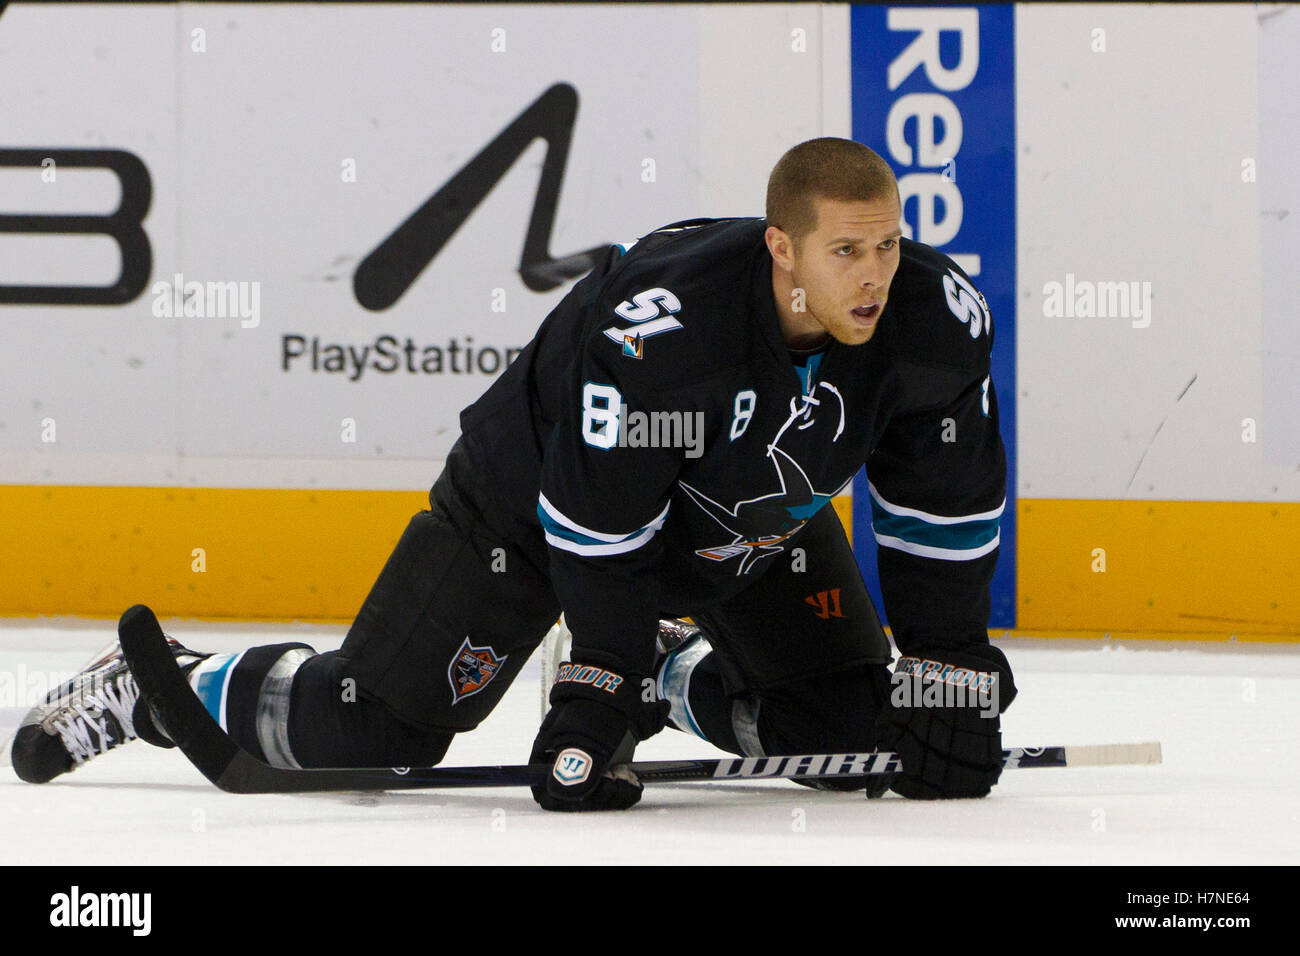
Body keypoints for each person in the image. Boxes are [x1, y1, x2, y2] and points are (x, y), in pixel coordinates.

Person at [12, 138, 1015, 809]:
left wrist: (949, 664)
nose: (876, 273)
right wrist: (595, 682)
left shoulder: (932, 323)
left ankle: (677, 668)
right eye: (846, 250)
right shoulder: (666, 336)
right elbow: (598, 527)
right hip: (533, 513)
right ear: (782, 249)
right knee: (373, 729)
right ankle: (158, 688)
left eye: (887, 242)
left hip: (747, 531)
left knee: (857, 729)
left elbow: (943, 513)